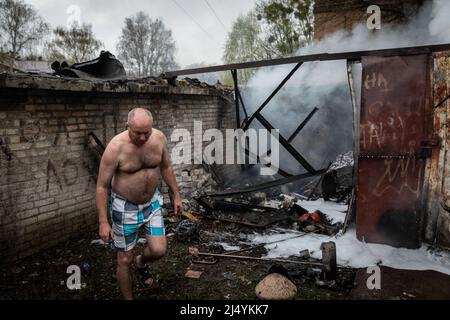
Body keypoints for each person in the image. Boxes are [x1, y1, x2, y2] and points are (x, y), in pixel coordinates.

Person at [95, 107, 183, 300]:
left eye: (146, 133)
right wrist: (103, 222)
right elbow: (101, 187)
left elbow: (166, 166)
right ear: (127, 127)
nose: (143, 138)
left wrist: (176, 194)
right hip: (125, 208)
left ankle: (141, 262)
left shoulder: (158, 138)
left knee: (159, 250)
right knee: (124, 258)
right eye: (137, 133)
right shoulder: (115, 147)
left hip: (151, 204)